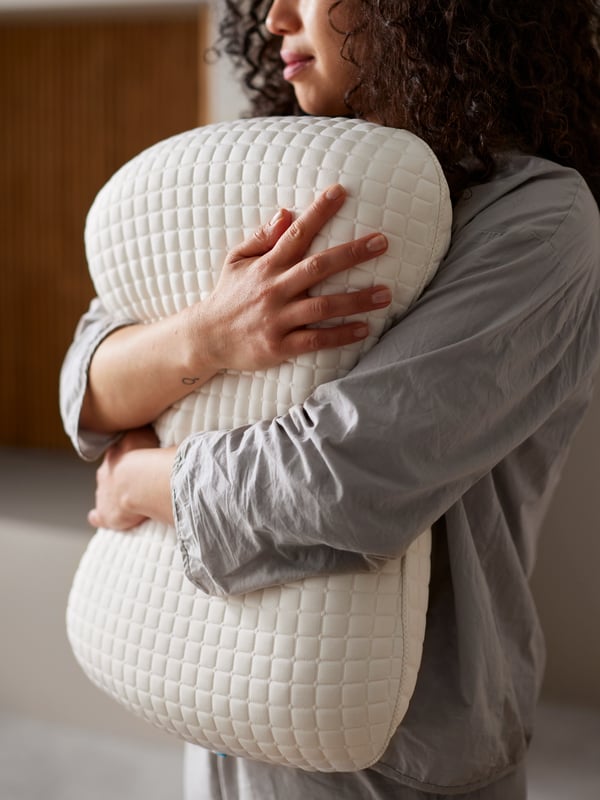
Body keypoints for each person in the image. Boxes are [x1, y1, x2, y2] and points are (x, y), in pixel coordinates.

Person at [60, 1, 600, 798]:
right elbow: (88, 386)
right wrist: (208, 336)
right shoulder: (263, 181)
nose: (275, 16)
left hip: (406, 756)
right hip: (223, 704)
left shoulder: (540, 222)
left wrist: (138, 479)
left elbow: (345, 479)